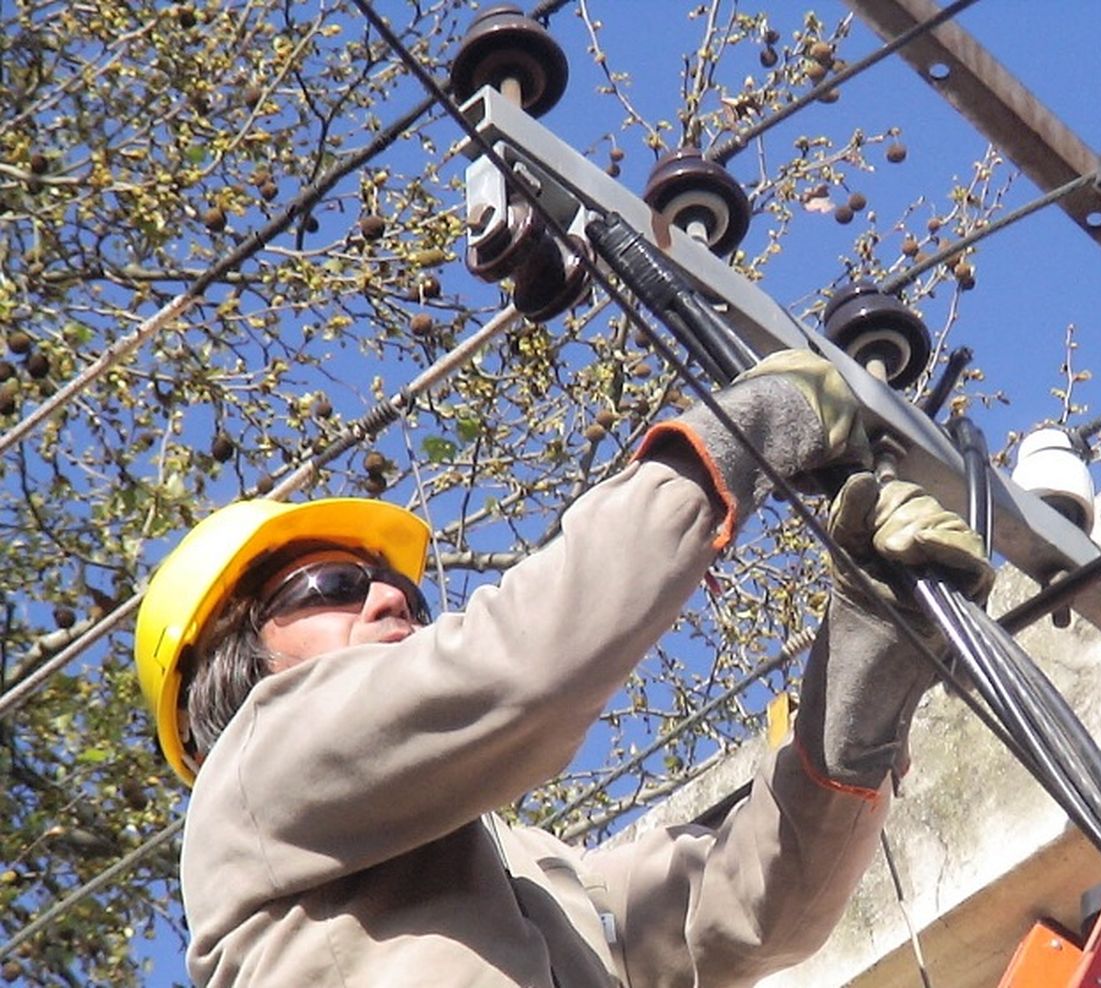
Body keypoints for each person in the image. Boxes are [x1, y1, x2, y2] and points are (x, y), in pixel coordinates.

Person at [133, 350, 994, 987]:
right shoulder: (254, 776)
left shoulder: (535, 879)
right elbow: (526, 667)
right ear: (231, 669)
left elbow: (742, 914)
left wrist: (867, 668)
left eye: (402, 587)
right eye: (331, 586)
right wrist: (746, 429)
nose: (393, 601)